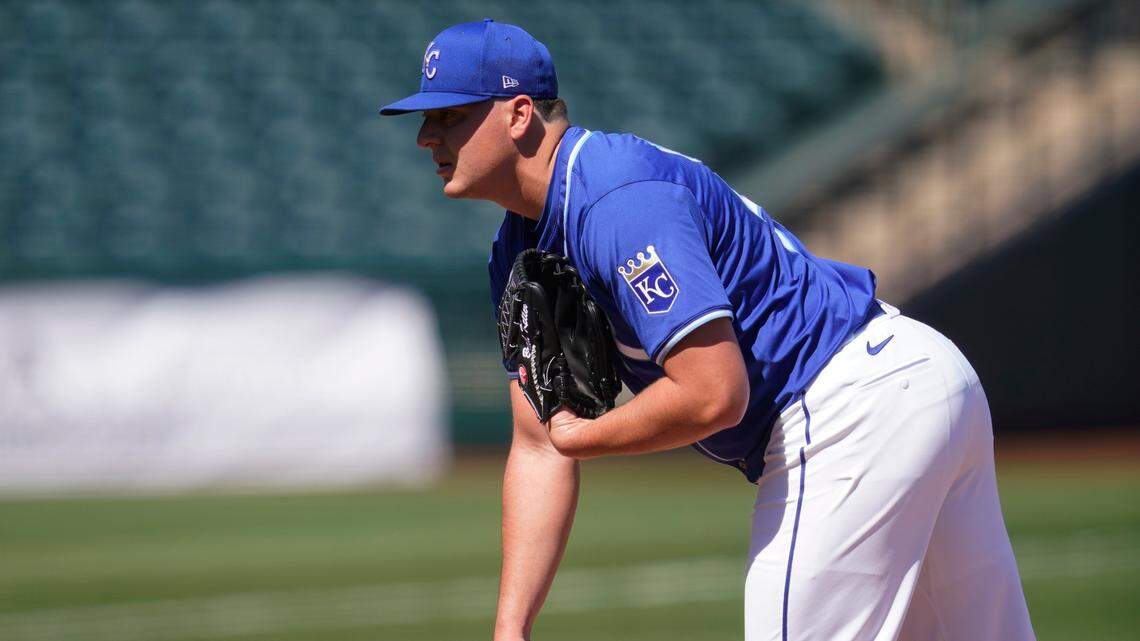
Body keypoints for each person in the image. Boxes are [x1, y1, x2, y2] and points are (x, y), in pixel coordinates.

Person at [381, 19, 1036, 641]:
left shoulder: (613, 199)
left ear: (519, 114)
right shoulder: (517, 250)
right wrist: (511, 624)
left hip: (845, 412)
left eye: (451, 116)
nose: (427, 138)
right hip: (916, 379)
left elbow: (715, 393)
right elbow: (538, 445)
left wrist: (589, 435)